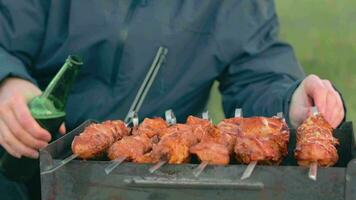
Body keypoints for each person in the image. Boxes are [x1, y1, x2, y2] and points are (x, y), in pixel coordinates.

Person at [0, 1, 345, 199]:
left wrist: (291, 99)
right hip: (23, 164)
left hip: (158, 177)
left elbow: (257, 72)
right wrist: (7, 81)